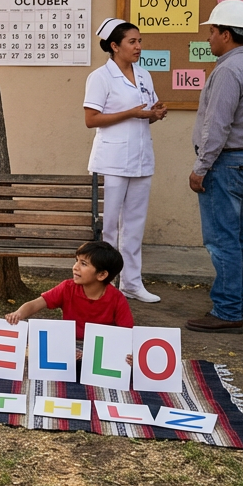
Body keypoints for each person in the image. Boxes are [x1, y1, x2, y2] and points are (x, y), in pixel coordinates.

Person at [186, 0, 243, 335]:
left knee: (222, 241)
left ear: (225, 33)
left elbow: (217, 126)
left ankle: (227, 310)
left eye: (211, 31)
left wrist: (200, 167)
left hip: (224, 163)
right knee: (241, 238)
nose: (208, 38)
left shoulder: (228, 70)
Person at [83, 18, 168, 304]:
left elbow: (145, 110)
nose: (138, 46)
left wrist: (155, 113)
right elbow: (90, 119)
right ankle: (102, 284)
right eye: (132, 42)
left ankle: (131, 283)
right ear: (114, 46)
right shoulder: (100, 77)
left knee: (134, 224)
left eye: (140, 41)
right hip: (112, 161)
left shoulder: (144, 75)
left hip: (141, 158)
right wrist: (132, 113)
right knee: (109, 227)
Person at [6, 241, 135, 340]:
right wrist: (18, 314)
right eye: (76, 261)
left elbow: (127, 333)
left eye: (83, 264)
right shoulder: (67, 288)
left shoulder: (117, 298)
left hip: (101, 352)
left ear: (101, 275)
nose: (75, 267)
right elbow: (36, 303)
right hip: (69, 345)